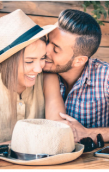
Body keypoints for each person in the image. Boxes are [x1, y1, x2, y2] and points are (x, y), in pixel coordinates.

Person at [0, 9, 66, 149]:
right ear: (7, 63)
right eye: (29, 61)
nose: (39, 69)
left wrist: (6, 146)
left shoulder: (48, 79)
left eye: (43, 58)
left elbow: (58, 129)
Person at [43, 9, 109, 143]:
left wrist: (87, 133)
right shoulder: (40, 70)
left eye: (55, 49)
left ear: (79, 61)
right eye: (47, 41)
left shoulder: (105, 77)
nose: (46, 50)